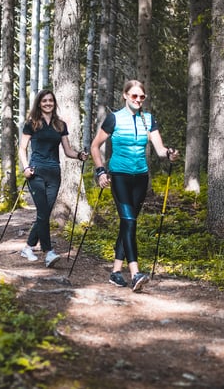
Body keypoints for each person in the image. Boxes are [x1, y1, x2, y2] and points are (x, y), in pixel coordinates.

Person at [90, 80, 178, 292]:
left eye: (141, 97)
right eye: (134, 96)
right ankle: (135, 272)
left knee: (128, 223)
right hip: (119, 176)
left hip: (140, 178)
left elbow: (159, 149)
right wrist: (100, 170)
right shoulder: (114, 118)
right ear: (125, 96)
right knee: (129, 221)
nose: (138, 100)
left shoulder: (148, 120)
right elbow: (95, 146)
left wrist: (169, 153)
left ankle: (115, 272)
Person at [18, 89, 88, 268]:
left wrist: (79, 155)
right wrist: (25, 167)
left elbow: (67, 150)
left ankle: (28, 247)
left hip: (54, 174)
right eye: (44, 101)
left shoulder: (60, 125)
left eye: (50, 100)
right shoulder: (32, 123)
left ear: (54, 103)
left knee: (44, 214)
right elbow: (22, 149)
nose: (48, 103)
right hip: (36, 173)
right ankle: (48, 252)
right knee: (42, 212)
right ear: (39, 103)